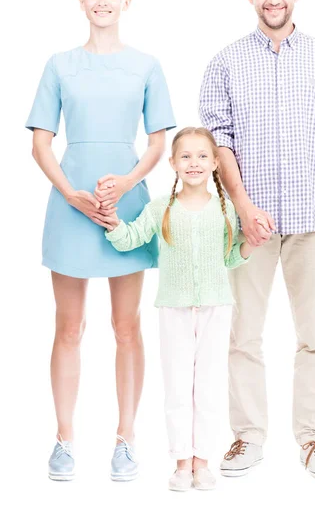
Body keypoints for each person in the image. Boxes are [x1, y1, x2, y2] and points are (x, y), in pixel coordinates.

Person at [199, 0, 315, 480]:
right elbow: (219, 141)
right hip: (251, 225)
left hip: (314, 219)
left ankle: (313, 440)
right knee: (243, 334)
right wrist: (242, 206)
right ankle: (247, 438)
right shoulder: (225, 62)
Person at [25, 0, 176, 481]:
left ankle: (126, 439)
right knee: (68, 328)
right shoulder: (60, 65)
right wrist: (71, 194)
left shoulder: (146, 65)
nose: (104, 1)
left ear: (126, 2)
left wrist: (129, 183)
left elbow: (159, 142)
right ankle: (64, 439)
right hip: (71, 207)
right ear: (82, 0)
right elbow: (40, 142)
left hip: (126, 209)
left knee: (127, 326)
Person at [98, 127, 271, 491]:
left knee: (207, 386)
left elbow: (229, 257)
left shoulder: (224, 209)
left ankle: (202, 462)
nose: (194, 163)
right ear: (174, 163)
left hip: (216, 307)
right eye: (186, 156)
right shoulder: (160, 207)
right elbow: (131, 238)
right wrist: (113, 224)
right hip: (173, 308)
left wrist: (251, 246)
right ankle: (181, 463)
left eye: (202, 156)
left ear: (214, 163)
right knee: (178, 386)